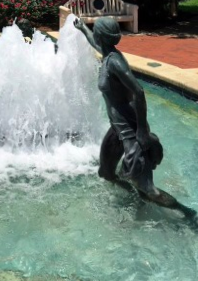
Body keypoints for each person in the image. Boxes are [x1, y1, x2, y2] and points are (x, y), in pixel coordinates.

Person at [74, 16, 190, 212]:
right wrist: (83, 28)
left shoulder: (115, 62)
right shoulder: (108, 53)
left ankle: (187, 214)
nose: (96, 38)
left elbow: (139, 91)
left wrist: (142, 131)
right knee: (107, 173)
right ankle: (136, 198)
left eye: (97, 34)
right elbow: (95, 43)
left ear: (102, 37)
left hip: (129, 127)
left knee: (146, 187)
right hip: (117, 127)